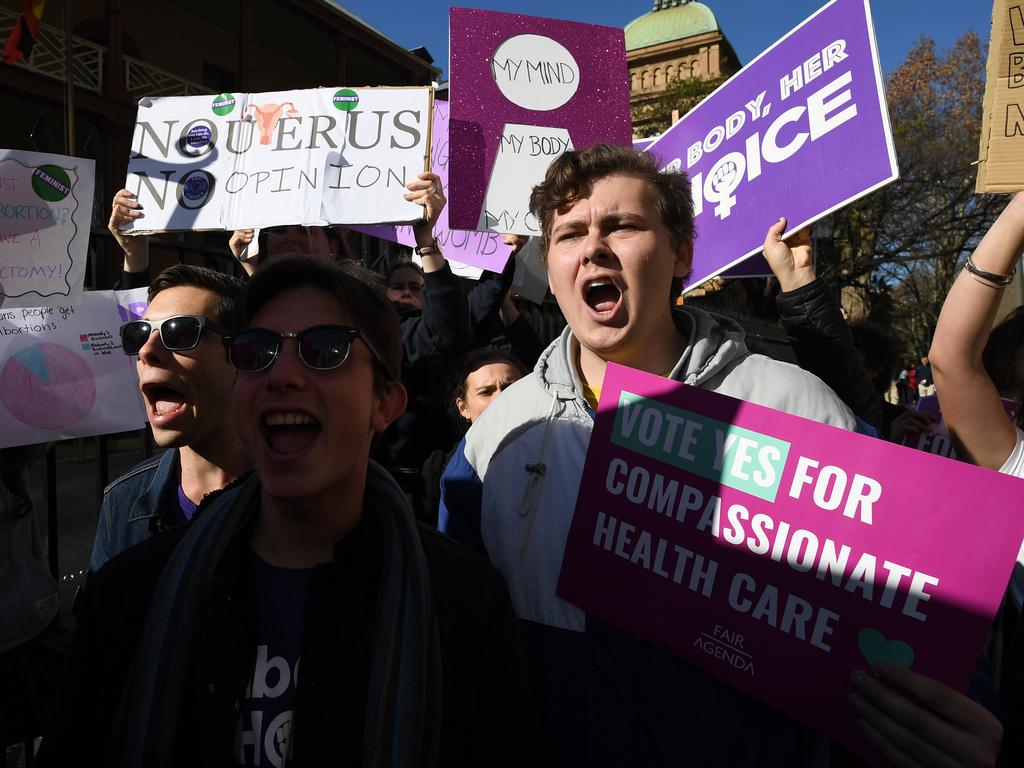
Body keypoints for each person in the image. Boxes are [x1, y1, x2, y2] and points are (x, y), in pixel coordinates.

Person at [440, 144, 857, 765]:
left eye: (623, 226)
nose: (594, 248)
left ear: (681, 253)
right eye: (569, 234)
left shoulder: (795, 408)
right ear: (550, 267)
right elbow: (461, 651)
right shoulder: (494, 437)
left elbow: (894, 636)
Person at [38, 255, 537, 766]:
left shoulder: (460, 601)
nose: (282, 376)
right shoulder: (129, 593)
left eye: (326, 349)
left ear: (385, 403)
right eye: (257, 353)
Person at [89, 264, 249, 571]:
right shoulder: (121, 503)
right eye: (139, 334)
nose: (147, 351)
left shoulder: (291, 494)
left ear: (240, 356)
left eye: (180, 332)